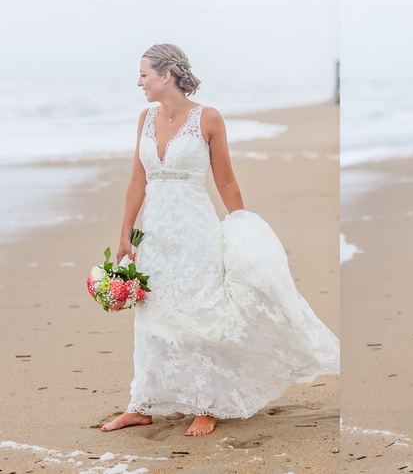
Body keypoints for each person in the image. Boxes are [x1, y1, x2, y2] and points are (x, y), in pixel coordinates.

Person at [101, 44, 339, 436]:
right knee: (152, 315)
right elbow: (137, 180)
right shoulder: (145, 118)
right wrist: (125, 232)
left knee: (201, 312)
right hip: (157, 232)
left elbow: (225, 180)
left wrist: (243, 225)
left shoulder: (207, 118)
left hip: (196, 231)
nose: (138, 81)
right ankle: (141, 404)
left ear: (165, 76)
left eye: (143, 74)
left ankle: (207, 405)